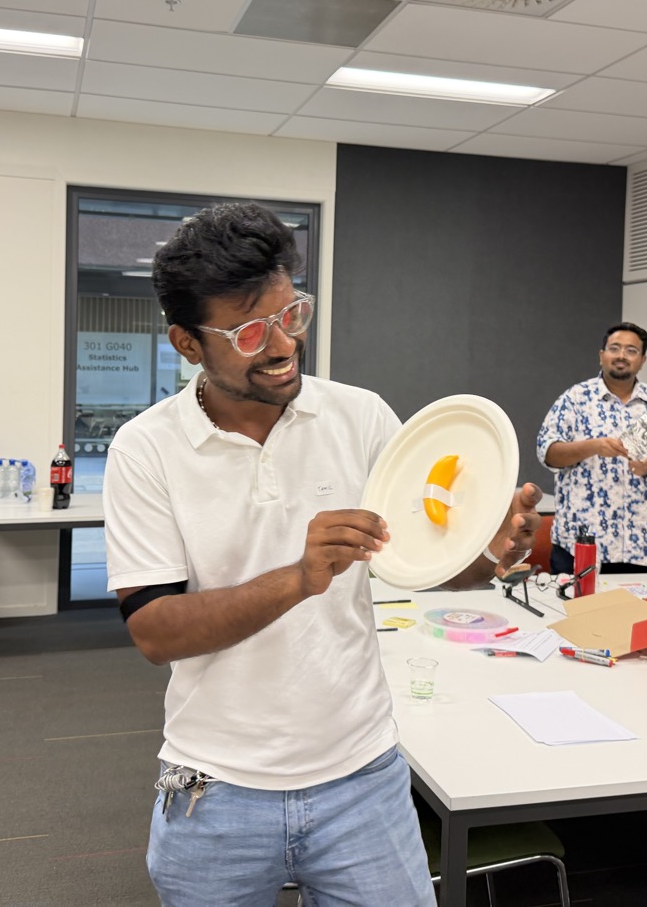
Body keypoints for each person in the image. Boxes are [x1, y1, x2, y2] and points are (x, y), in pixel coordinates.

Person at [103, 203, 543, 905]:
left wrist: (490, 551)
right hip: (215, 788)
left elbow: (426, 560)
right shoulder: (145, 449)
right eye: (250, 330)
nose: (281, 345)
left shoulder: (360, 416)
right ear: (188, 344)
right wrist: (300, 579)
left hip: (361, 778)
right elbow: (154, 631)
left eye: (292, 316)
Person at [536, 323, 647, 574]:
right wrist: (593, 446)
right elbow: (548, 452)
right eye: (615, 348)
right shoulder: (576, 399)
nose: (622, 355)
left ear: (642, 360)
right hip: (583, 546)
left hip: (645, 548)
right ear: (602, 355)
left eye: (631, 350)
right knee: (578, 613)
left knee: (644, 615)